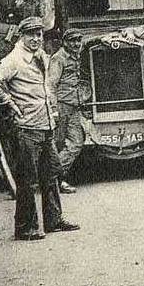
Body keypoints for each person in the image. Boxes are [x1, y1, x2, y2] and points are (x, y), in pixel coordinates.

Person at [0, 16, 80, 240]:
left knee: (52, 172)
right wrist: (9, 103)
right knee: (27, 179)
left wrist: (52, 114)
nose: (36, 39)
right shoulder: (14, 60)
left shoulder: (41, 56)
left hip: (44, 125)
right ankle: (25, 228)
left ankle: (54, 220)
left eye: (39, 34)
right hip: (26, 128)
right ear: (22, 36)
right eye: (31, 35)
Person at [48, 28, 84, 192]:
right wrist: (54, 109)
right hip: (62, 105)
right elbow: (51, 85)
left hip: (73, 105)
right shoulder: (59, 58)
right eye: (72, 41)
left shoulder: (75, 53)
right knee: (58, 143)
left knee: (76, 143)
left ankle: (54, 178)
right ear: (64, 42)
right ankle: (55, 181)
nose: (76, 44)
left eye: (78, 40)